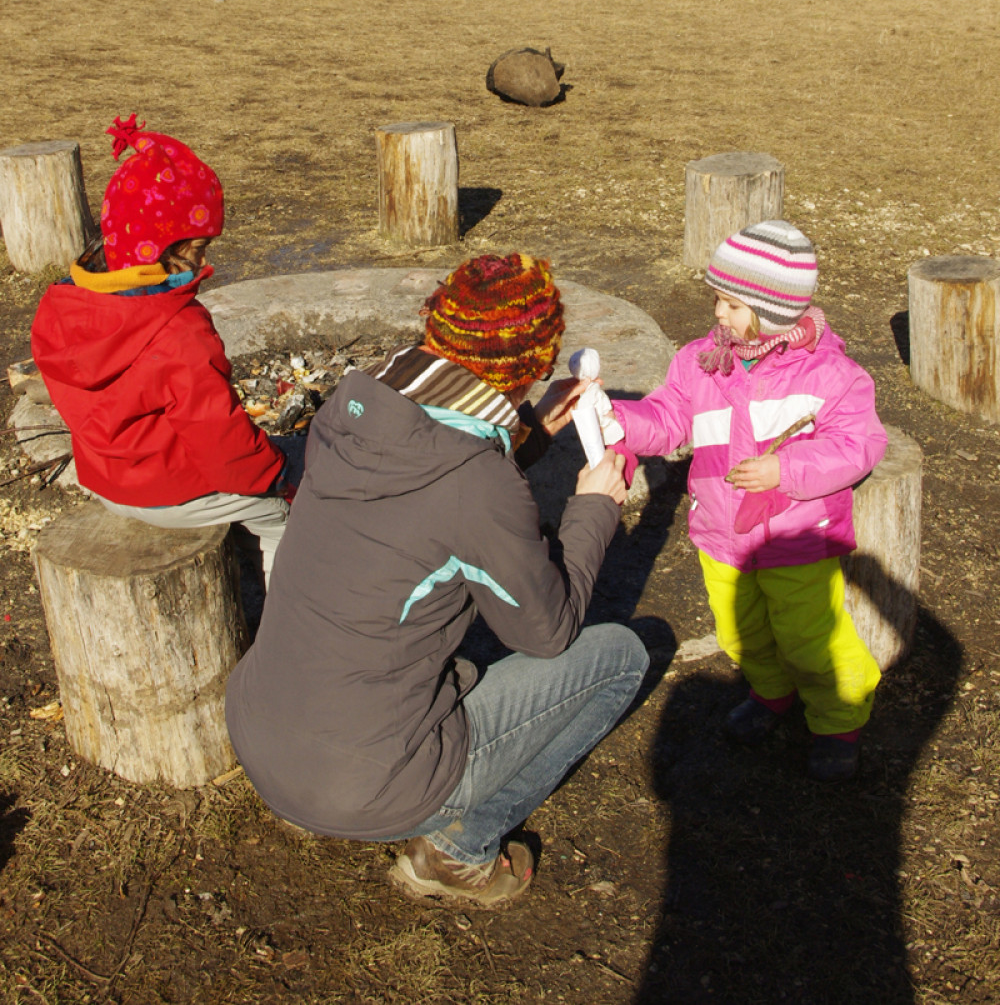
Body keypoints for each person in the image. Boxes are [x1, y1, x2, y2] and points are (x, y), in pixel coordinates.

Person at [226, 253, 649, 906]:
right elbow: (547, 630)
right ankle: (460, 848)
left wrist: (528, 431)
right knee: (621, 655)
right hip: (364, 783)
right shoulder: (476, 487)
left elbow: (432, 473)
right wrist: (594, 505)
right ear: (530, 367)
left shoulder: (353, 402)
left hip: (260, 730)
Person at [608, 220, 885, 782]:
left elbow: (859, 445)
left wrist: (787, 469)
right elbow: (666, 420)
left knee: (812, 636)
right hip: (722, 531)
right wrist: (618, 419)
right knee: (741, 632)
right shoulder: (699, 362)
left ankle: (838, 721)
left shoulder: (831, 374)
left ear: (776, 310)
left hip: (797, 535)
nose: (718, 314)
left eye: (732, 304)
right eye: (717, 299)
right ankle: (770, 693)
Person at [31, 114, 297, 585]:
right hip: (166, 492)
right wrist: (273, 476)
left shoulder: (62, 306)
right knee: (280, 515)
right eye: (197, 248)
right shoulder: (178, 331)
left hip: (104, 478)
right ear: (165, 247)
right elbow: (220, 438)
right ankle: (286, 619)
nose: (203, 259)